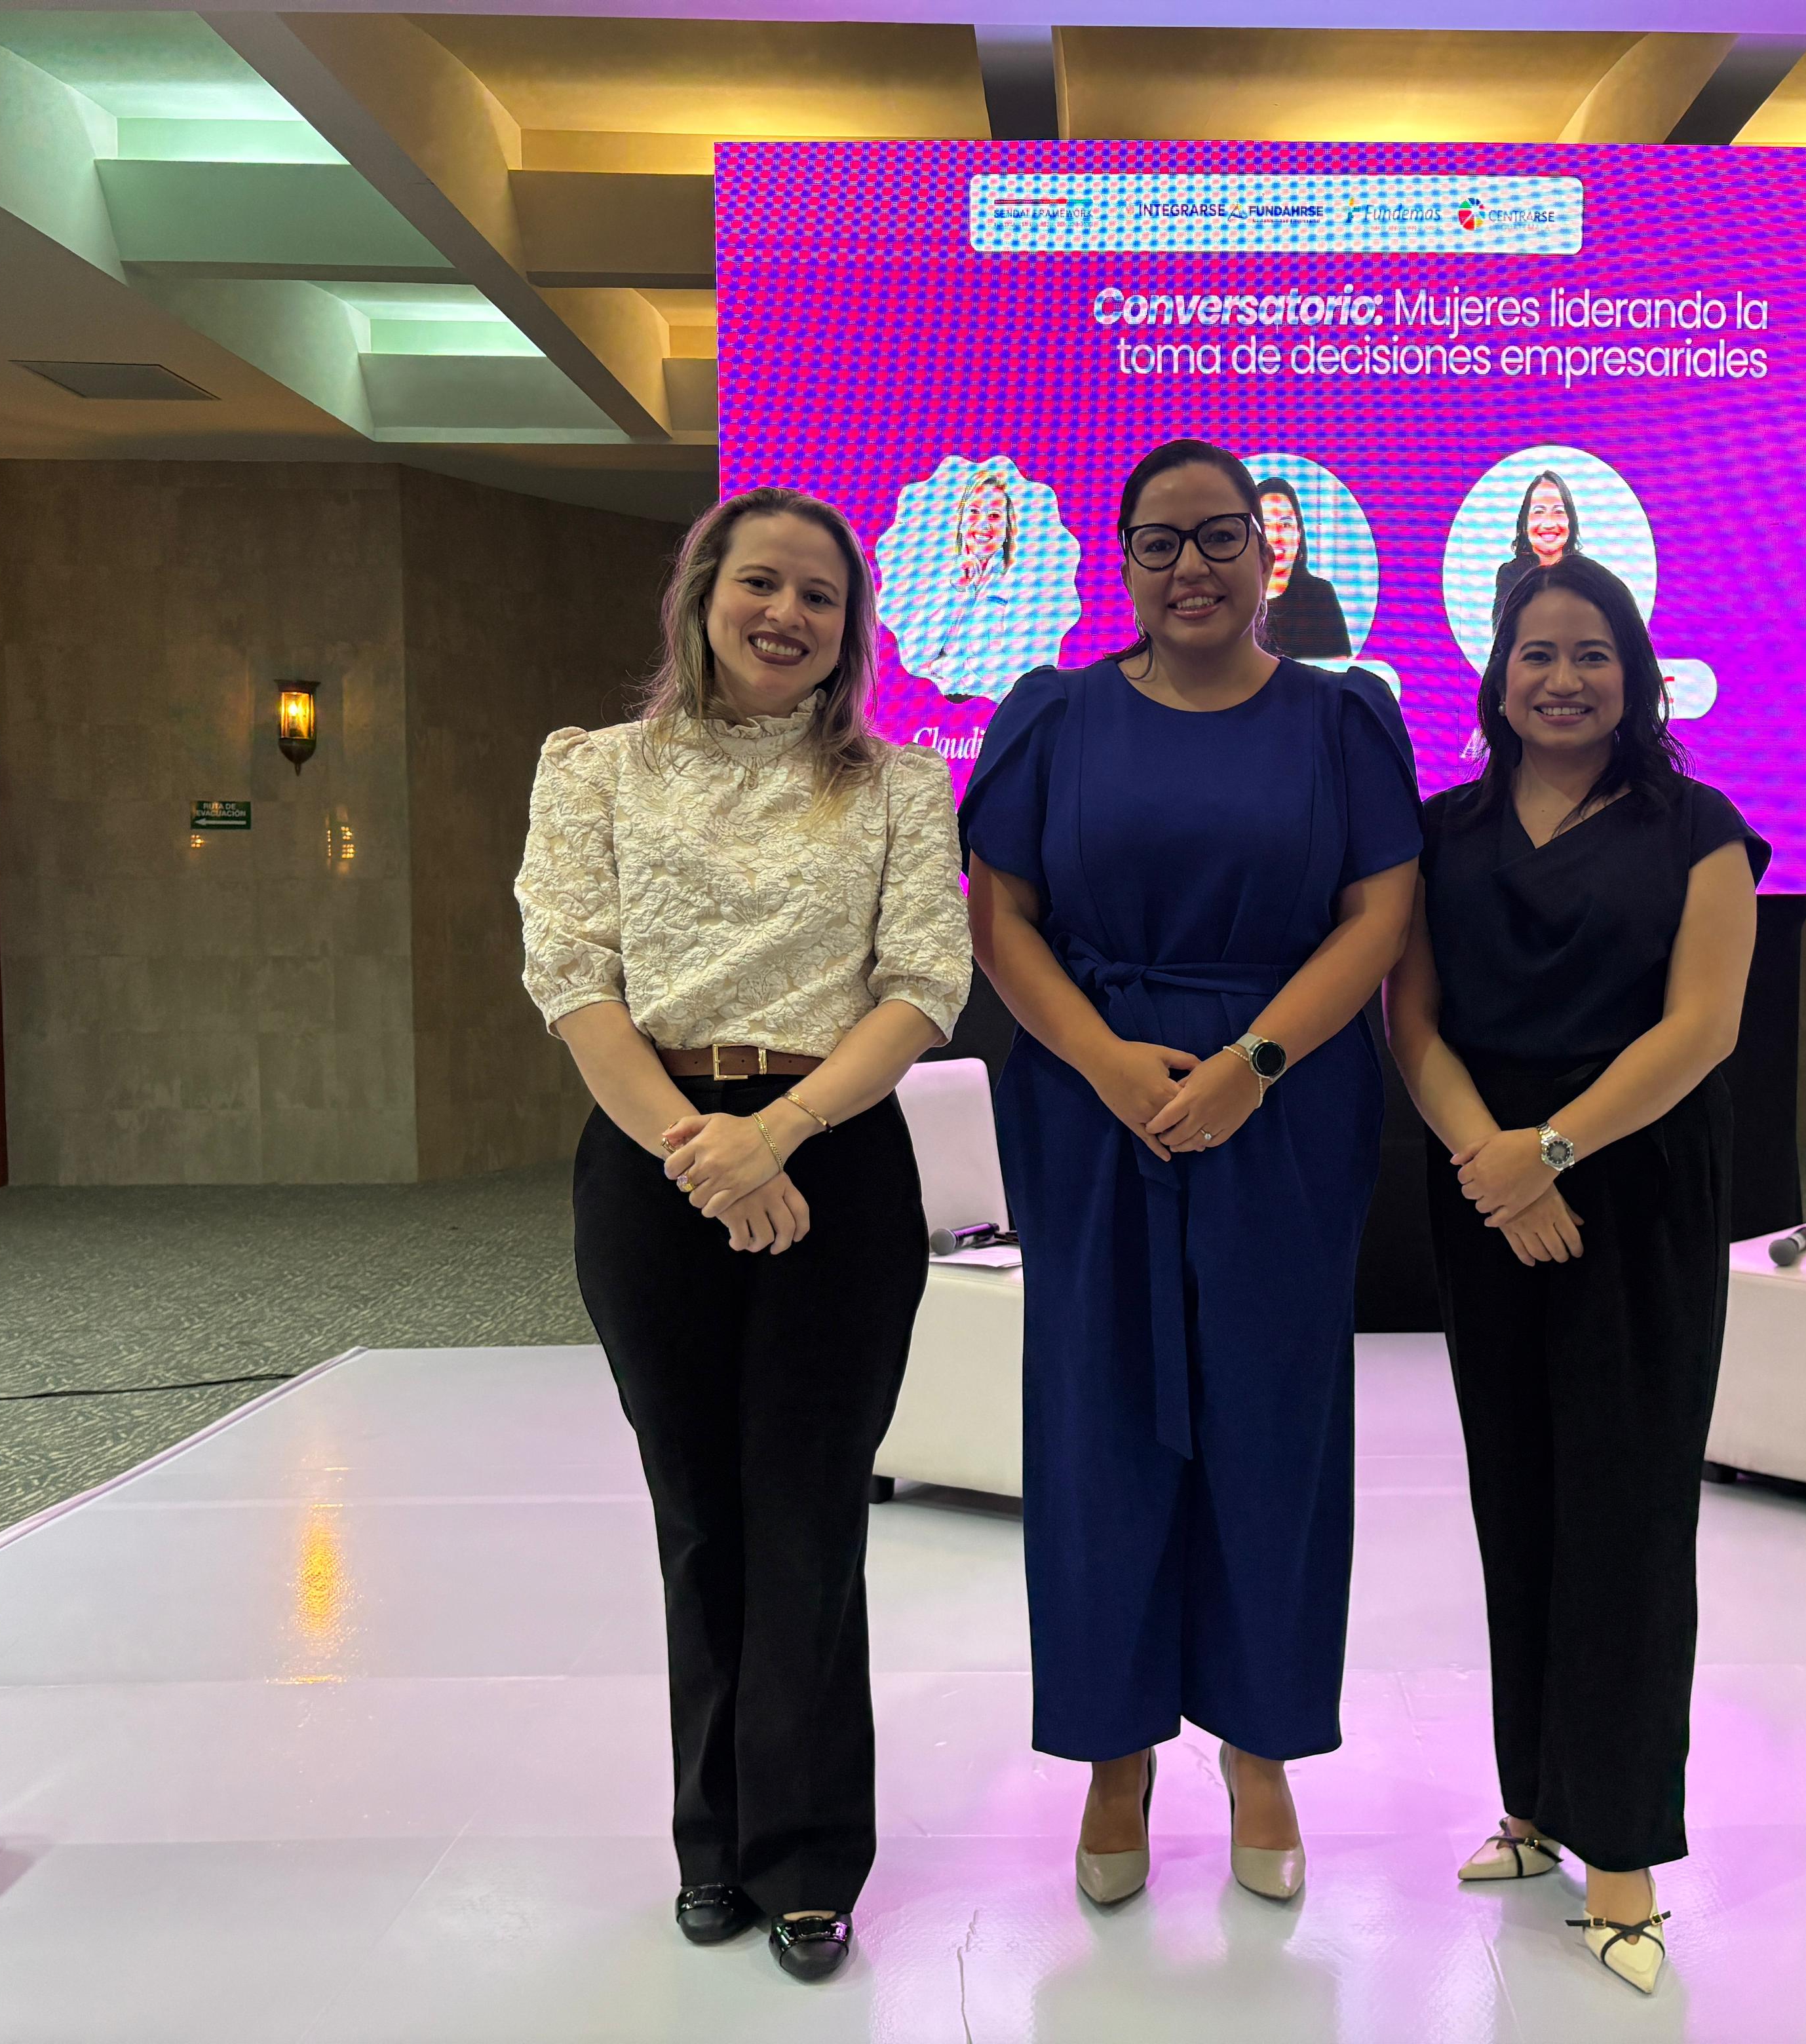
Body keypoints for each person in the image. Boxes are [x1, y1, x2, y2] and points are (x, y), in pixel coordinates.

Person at [515, 485, 971, 1984]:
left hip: (833, 1159)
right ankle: (711, 1841)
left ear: (851, 629)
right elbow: (573, 977)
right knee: (702, 1511)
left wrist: (776, 1136)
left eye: (818, 596)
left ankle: (809, 1857)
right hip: (653, 1153)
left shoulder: (899, 784)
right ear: (703, 594)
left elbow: (922, 984)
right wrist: (703, 1153)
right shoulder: (592, 769)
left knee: (810, 1511)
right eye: (760, 583)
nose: (786, 614)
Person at [961, 439, 1420, 1912]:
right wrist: (1104, 1061)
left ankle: (1259, 1743)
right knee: (1096, 1424)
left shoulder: (1341, 720)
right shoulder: (1054, 716)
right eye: (1159, 542)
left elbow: (1378, 916)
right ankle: (1114, 1751)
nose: (1191, 568)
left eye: (1219, 536)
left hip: (1283, 1104)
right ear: (1124, 562)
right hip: (1090, 1101)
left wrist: (1250, 1067)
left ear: (1266, 552)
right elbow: (1000, 913)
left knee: (1275, 1424)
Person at [1385, 552, 1763, 1998]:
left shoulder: (1698, 829)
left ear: (1635, 677)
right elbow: (1412, 1022)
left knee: (1626, 1514)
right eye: (1536, 654)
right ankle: (1535, 1803)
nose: (1562, 678)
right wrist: (1492, 1161)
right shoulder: (1444, 833)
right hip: (1487, 1188)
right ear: (1496, 677)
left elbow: (1703, 1028)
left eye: (1592, 654)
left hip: (1636, 1188)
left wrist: (1547, 1152)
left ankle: (1623, 1852)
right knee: (1521, 1499)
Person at [921, 467, 1022, 696]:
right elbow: (918, 655)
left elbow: (1006, 670)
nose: (983, 524)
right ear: (961, 520)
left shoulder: (1018, 584)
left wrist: (942, 668)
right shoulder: (939, 577)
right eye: (974, 511)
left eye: (994, 516)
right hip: (928, 704)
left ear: (1008, 526)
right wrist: (955, 591)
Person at [1255, 476, 1352, 661]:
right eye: (1267, 526)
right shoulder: (1236, 595)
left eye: (1285, 525)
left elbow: (1338, 667)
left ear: (1298, 534)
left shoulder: (1320, 595)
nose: (1277, 537)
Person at [1489, 468, 1582, 628]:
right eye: (1539, 511)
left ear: (1571, 521)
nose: (1549, 523)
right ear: (1525, 523)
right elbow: (1502, 635)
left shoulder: (1588, 574)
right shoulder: (1510, 575)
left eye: (1558, 511)